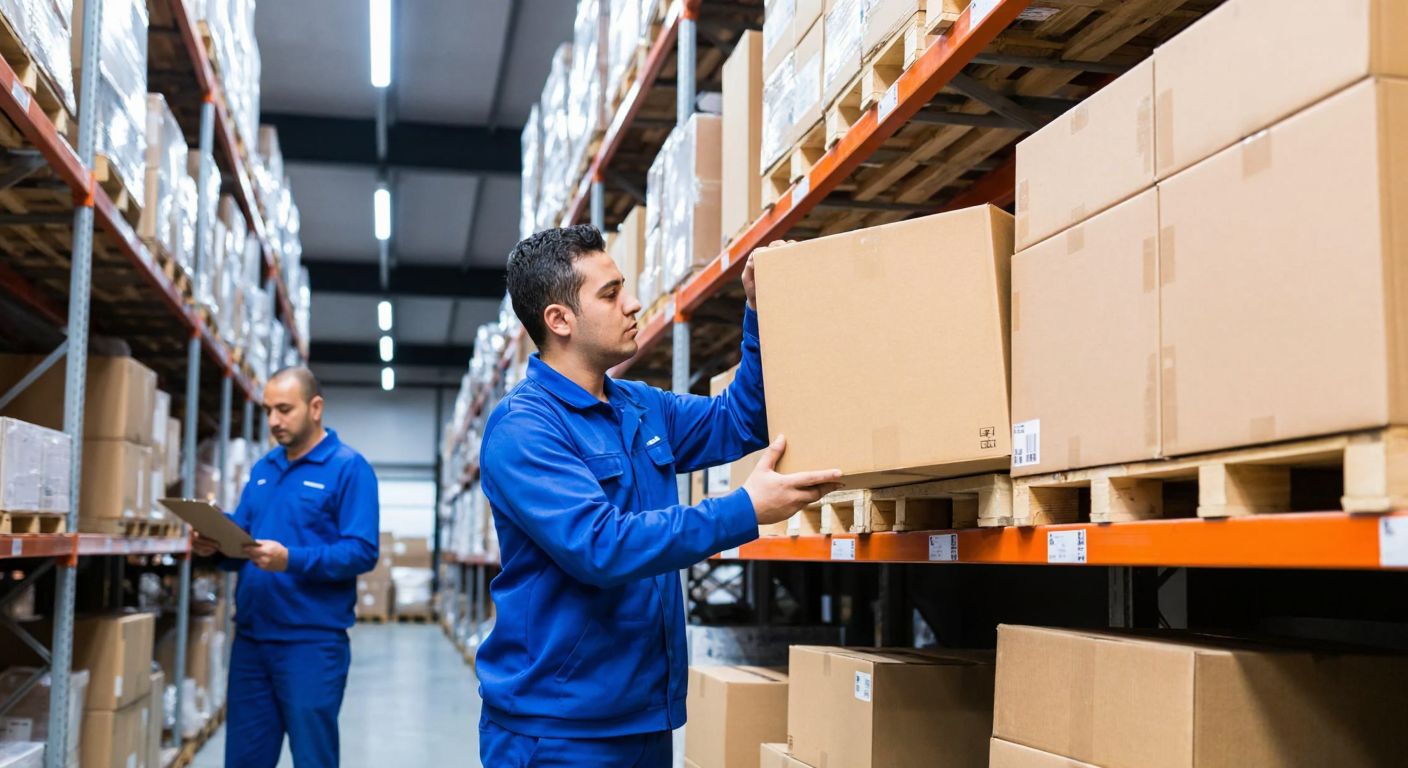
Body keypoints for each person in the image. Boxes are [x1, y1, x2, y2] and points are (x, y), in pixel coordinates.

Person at [478, 225, 843, 766]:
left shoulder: (640, 406)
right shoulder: (524, 428)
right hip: (558, 730)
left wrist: (759, 312)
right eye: (610, 294)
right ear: (559, 321)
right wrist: (744, 510)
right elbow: (600, 547)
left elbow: (738, 421)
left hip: (646, 714)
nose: (632, 304)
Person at [192, 366, 380, 768]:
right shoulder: (264, 470)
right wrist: (215, 546)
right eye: (268, 411)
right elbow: (242, 540)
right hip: (252, 641)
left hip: (311, 645)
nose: (274, 421)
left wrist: (290, 559)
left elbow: (362, 552)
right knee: (244, 758)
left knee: (313, 758)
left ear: (315, 407)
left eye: (284, 409)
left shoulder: (349, 468)